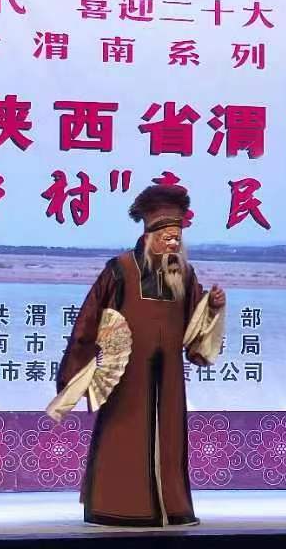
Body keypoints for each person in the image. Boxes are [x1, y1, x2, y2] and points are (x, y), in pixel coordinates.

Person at [56, 185, 226, 526]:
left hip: (169, 374)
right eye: (166, 237)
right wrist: (78, 369)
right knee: (124, 435)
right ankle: (120, 507)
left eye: (177, 238)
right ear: (148, 236)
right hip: (128, 373)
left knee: (169, 437)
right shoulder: (120, 270)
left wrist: (212, 307)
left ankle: (171, 507)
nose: (173, 244)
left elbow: (194, 323)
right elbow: (89, 319)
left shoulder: (185, 274)